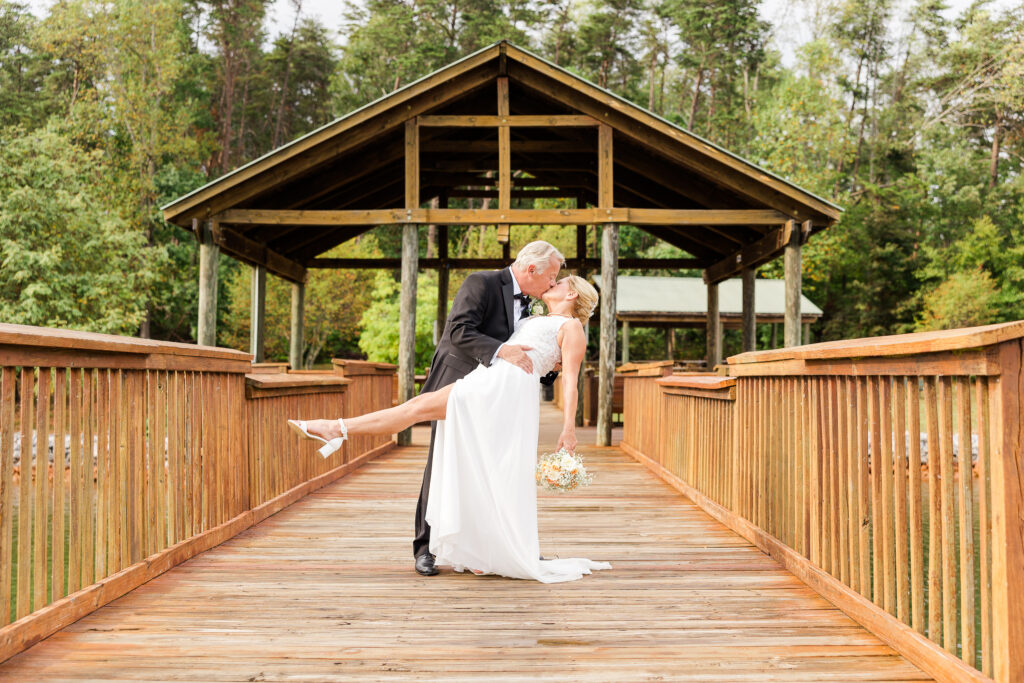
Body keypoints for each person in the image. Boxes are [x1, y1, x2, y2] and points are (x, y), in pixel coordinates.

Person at [289, 275, 611, 584]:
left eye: (560, 281)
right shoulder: (532, 318)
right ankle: (485, 551)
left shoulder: (572, 328)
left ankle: (336, 429)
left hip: (503, 393)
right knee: (476, 463)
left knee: (418, 410)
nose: (553, 282)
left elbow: (570, 381)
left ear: (572, 294)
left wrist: (569, 428)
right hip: (489, 381)